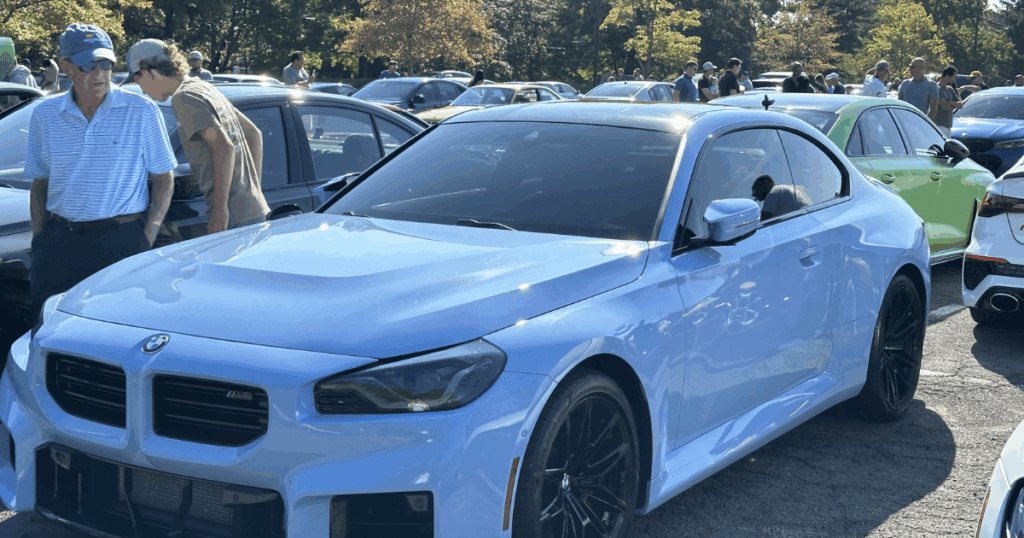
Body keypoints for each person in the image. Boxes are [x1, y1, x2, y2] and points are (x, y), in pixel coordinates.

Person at [25, 23, 177, 321]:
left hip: (122, 242)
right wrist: (40, 238)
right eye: (88, 64)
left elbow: (164, 178)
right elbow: (40, 182)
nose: (99, 72)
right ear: (67, 66)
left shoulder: (141, 111)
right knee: (47, 331)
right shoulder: (45, 115)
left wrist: (146, 237)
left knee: (117, 334)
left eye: (105, 63)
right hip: (59, 244)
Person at [128, 38, 271, 235]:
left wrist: (220, 212)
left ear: (148, 73)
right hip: (252, 209)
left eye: (138, 82)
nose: (142, 91)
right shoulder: (202, 87)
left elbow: (224, 147)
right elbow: (253, 133)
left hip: (232, 218)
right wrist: (252, 192)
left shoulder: (183, 98)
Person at [935, 65, 962, 137]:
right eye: (954, 77)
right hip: (939, 125)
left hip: (948, 126)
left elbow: (960, 104)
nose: (954, 80)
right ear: (947, 76)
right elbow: (944, 107)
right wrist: (953, 105)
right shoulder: (936, 89)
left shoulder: (950, 89)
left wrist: (949, 103)